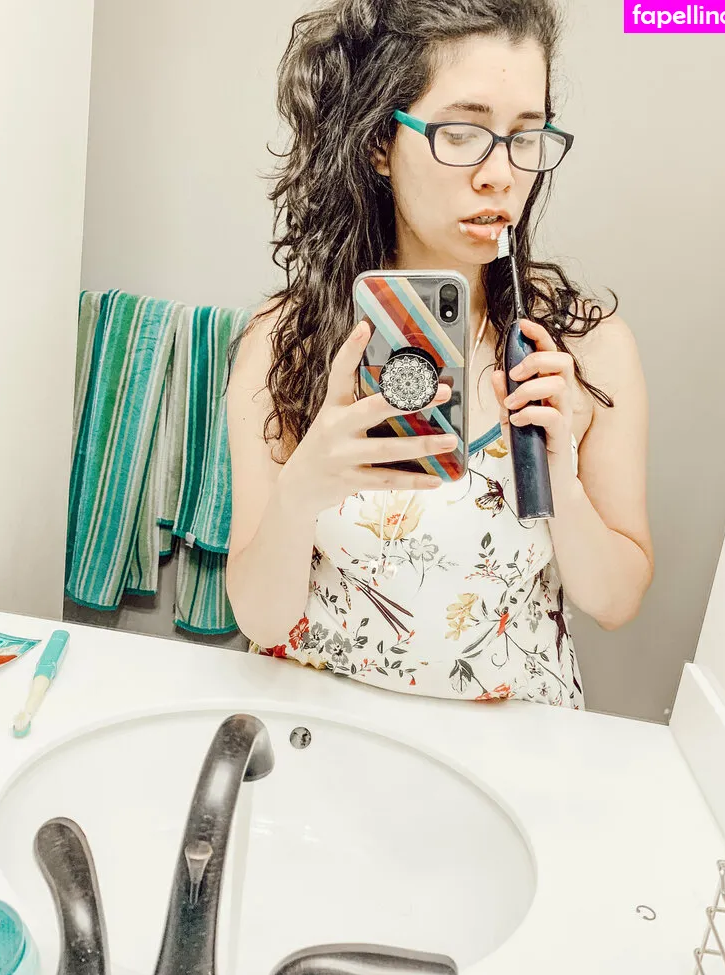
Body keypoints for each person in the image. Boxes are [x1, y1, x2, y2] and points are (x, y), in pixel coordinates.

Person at [225, 0, 654, 708]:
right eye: (461, 133)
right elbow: (261, 620)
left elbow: (616, 601)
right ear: (379, 144)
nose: (501, 175)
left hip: (510, 744)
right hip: (324, 729)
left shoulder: (586, 345)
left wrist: (562, 484)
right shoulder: (285, 339)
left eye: (526, 136)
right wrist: (302, 490)